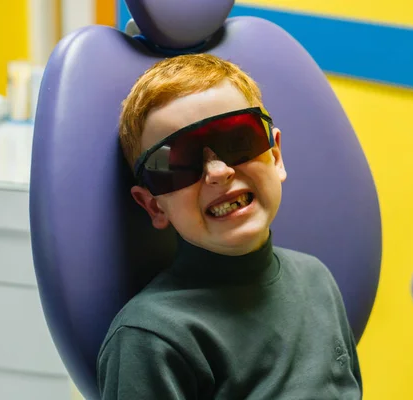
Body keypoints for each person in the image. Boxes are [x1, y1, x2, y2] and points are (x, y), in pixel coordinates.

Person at [97, 53, 362, 399]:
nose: (219, 172)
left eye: (238, 140)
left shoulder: (317, 280)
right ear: (153, 205)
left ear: (276, 156)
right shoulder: (151, 339)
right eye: (179, 162)